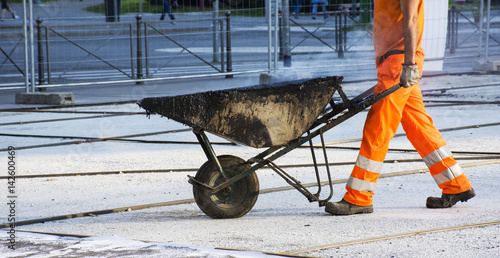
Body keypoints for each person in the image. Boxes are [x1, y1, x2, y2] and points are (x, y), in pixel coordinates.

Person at [325, 0, 475, 215]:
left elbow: (411, 19)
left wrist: (409, 65)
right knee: (418, 125)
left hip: (400, 62)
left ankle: (359, 197)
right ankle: (456, 184)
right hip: (392, 61)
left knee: (378, 126)